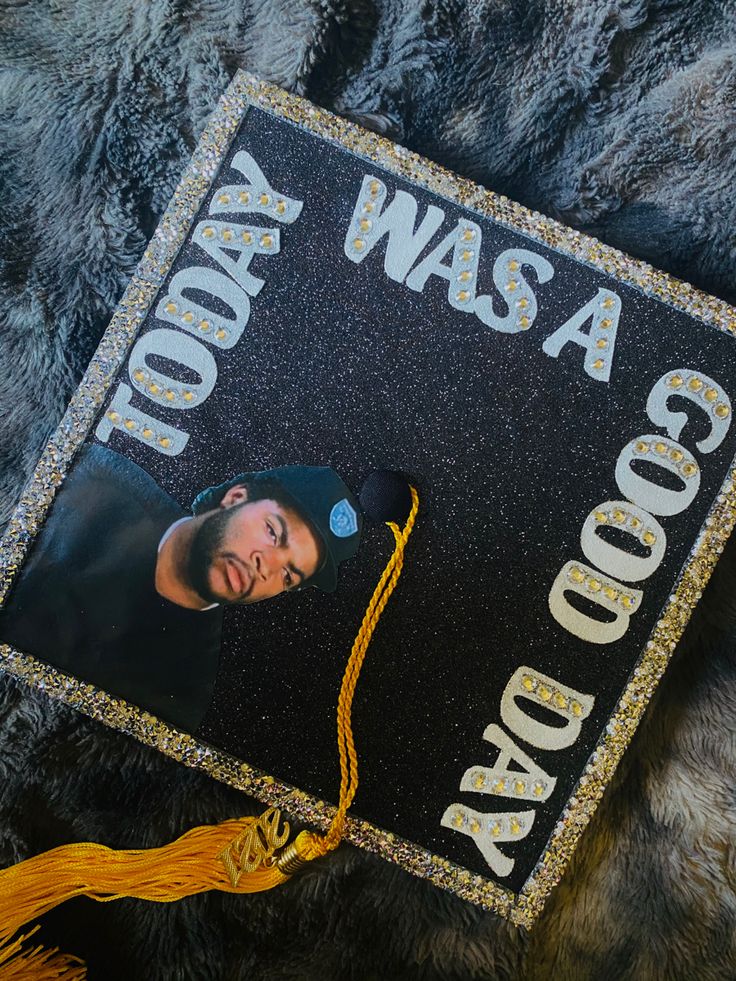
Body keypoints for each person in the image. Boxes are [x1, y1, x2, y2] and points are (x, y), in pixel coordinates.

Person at [0, 442, 362, 733]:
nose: (265, 565)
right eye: (272, 532)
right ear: (236, 497)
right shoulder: (94, 483)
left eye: (288, 576)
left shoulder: (183, 691)